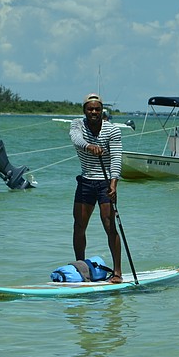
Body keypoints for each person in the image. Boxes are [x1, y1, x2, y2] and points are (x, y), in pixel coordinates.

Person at [69, 92, 123, 284]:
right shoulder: (77, 125)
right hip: (85, 181)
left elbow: (116, 158)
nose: (94, 112)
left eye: (97, 109)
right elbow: (76, 139)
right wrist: (89, 146)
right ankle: (80, 268)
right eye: (90, 109)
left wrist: (114, 184)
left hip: (105, 183)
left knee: (110, 227)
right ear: (84, 110)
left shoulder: (112, 130)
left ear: (102, 111)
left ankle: (117, 272)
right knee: (79, 227)